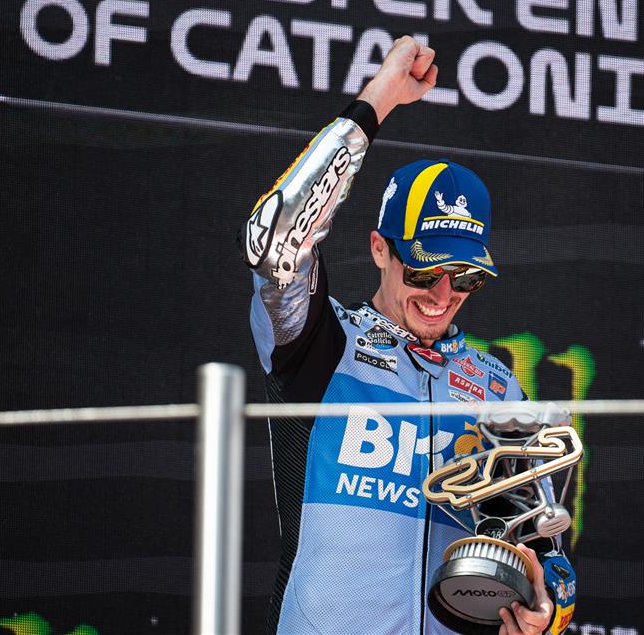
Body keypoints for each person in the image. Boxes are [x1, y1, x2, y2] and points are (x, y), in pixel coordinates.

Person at [243, 36, 576, 635]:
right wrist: (378, 101)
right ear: (380, 248)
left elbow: (547, 557)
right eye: (424, 271)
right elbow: (273, 241)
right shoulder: (319, 342)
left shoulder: (498, 391)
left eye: (466, 278)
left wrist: (545, 614)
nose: (442, 295)